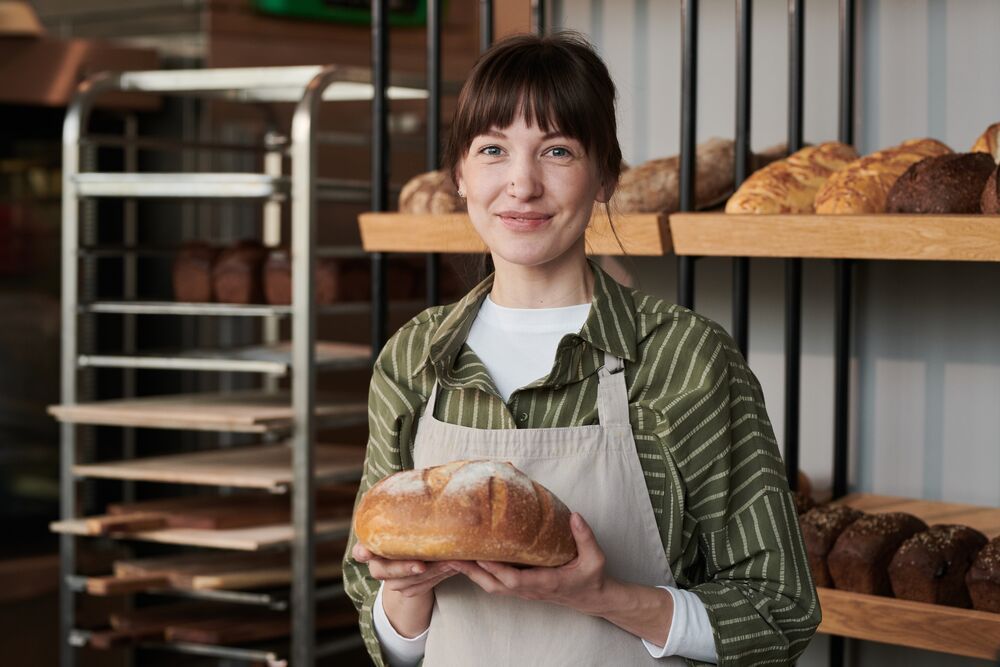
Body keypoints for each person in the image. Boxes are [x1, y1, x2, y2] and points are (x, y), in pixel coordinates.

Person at [343, 31, 820, 667]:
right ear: (459, 174)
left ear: (605, 177)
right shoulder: (414, 359)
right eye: (492, 150)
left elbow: (779, 612)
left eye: (558, 150)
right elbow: (392, 645)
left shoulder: (683, 358)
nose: (521, 184)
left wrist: (605, 597)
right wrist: (405, 592)